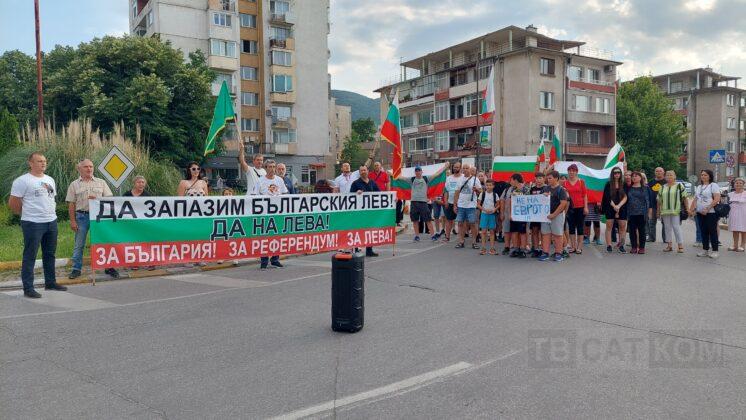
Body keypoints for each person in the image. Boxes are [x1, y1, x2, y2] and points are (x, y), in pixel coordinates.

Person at [8, 152, 66, 298]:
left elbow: (51, 198)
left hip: (51, 221)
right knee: (30, 255)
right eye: (39, 161)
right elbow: (13, 203)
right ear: (31, 163)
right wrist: (26, 214)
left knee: (50, 254)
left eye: (44, 161)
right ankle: (28, 288)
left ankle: (50, 282)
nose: (43, 163)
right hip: (33, 223)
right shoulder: (22, 181)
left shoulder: (50, 179)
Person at [66, 158, 119, 279]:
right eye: (86, 167)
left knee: (105, 242)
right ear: (79, 169)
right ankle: (76, 269)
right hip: (82, 216)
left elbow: (109, 200)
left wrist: (98, 199)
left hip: (99, 218)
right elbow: (71, 204)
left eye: (91, 166)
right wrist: (72, 221)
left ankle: (109, 267)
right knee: (79, 244)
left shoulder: (101, 182)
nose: (89, 169)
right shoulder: (74, 184)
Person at [255, 159, 288, 269]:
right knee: (264, 237)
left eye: (274, 167)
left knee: (277, 237)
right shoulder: (260, 181)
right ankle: (264, 260)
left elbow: (285, 194)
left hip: (278, 214)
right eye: (270, 167)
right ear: (266, 168)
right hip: (265, 214)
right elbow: (255, 196)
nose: (272, 169)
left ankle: (275, 259)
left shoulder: (279, 180)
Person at [689, 169, 721, 259]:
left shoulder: (713, 185)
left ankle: (715, 251)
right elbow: (696, 199)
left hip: (711, 212)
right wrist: (691, 210)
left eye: (705, 175)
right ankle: (705, 250)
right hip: (700, 212)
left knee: (712, 231)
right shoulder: (699, 186)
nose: (703, 176)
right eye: (702, 175)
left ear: (710, 176)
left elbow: (717, 199)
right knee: (703, 231)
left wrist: (707, 208)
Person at [350, 166, 381, 257]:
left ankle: (369, 250)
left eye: (365, 170)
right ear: (359, 172)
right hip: (359, 212)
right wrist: (356, 193)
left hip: (370, 212)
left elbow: (380, 194)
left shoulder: (372, 182)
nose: (363, 172)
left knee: (370, 230)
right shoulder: (355, 183)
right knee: (358, 230)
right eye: (361, 170)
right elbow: (350, 196)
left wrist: (391, 198)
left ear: (368, 171)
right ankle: (355, 249)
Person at [539, 171, 569, 262]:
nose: (548, 180)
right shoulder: (545, 188)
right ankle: (545, 253)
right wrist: (542, 196)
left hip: (557, 216)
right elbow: (539, 200)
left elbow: (563, 203)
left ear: (556, 178)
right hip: (545, 216)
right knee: (545, 234)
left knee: (558, 235)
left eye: (550, 178)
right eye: (547, 178)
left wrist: (554, 214)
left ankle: (558, 253)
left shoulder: (561, 190)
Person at [657, 170, 687, 253]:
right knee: (667, 228)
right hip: (665, 211)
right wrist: (658, 211)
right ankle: (669, 245)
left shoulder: (679, 186)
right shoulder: (662, 187)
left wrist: (687, 209)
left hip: (676, 210)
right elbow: (659, 200)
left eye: (671, 175)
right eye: (667, 175)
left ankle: (680, 246)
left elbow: (684, 198)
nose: (669, 176)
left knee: (676, 227)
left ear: (675, 176)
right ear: (665, 177)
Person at [453, 165, 482, 249]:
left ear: (470, 169)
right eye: (464, 168)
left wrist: (476, 189)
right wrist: (455, 205)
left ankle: (474, 242)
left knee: (472, 223)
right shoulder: (460, 179)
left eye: (467, 168)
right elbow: (456, 193)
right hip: (461, 205)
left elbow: (481, 191)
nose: (465, 170)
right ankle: (461, 241)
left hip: (471, 205)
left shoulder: (475, 179)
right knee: (460, 223)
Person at [407, 166, 437, 242]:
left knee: (428, 219)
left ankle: (433, 235)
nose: (418, 172)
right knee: (415, 220)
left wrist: (445, 167)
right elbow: (401, 178)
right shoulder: (412, 179)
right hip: (414, 202)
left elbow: (436, 175)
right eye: (416, 171)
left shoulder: (426, 178)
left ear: (421, 172)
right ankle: (417, 236)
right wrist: (391, 173)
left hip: (423, 202)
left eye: (419, 170)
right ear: (415, 172)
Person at [602, 167, 628, 253]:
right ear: (612, 174)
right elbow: (607, 197)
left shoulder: (624, 184)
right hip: (610, 207)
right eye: (615, 173)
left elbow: (626, 197)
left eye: (618, 173)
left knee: (622, 227)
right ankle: (609, 245)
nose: (617, 174)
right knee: (609, 226)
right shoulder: (608, 184)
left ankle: (621, 245)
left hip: (622, 207)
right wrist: (615, 206)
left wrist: (619, 206)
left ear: (620, 174)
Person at [564, 164, 588, 254]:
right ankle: (573, 246)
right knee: (571, 227)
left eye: (573, 171)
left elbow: (585, 195)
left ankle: (579, 247)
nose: (571, 172)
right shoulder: (565, 183)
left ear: (576, 172)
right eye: (570, 171)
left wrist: (586, 207)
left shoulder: (581, 182)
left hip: (580, 207)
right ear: (568, 172)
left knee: (580, 227)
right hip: (570, 208)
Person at [505, 173, 530, 258]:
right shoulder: (513, 189)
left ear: (515, 180)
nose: (510, 181)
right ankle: (515, 249)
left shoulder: (525, 189)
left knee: (522, 232)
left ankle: (522, 249)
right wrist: (510, 214)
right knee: (514, 232)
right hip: (514, 214)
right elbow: (510, 202)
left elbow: (529, 201)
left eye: (511, 180)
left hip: (522, 215)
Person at [626, 171, 652, 254]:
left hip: (642, 213)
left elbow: (650, 201)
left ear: (640, 178)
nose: (634, 177)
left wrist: (649, 213)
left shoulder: (646, 188)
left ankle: (641, 247)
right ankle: (634, 247)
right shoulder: (628, 188)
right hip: (631, 213)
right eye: (633, 176)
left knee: (642, 231)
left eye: (636, 176)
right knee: (632, 231)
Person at [442, 161, 465, 242]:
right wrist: (446, 201)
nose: (455, 168)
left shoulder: (463, 177)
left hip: (460, 203)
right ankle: (447, 237)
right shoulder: (449, 178)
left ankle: (460, 239)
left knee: (460, 222)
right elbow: (446, 191)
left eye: (457, 167)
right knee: (448, 220)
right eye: (454, 167)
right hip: (450, 202)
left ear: (460, 168)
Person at [477, 179, 499, 255]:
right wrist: (484, 209)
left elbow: (498, 204)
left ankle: (492, 249)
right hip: (484, 214)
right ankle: (483, 248)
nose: (488, 187)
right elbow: (478, 204)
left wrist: (494, 209)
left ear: (493, 186)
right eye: (487, 185)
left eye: (490, 185)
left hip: (492, 215)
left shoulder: (495, 195)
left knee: (492, 232)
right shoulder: (482, 194)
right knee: (483, 232)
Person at [529, 172, 548, 257]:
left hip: (544, 215)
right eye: (537, 178)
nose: (538, 180)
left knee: (543, 232)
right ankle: (536, 249)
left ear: (544, 179)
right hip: (534, 215)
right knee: (534, 231)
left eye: (540, 178)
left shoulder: (547, 188)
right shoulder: (532, 189)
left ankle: (543, 249)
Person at [647, 167, 666, 243]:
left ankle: (666, 238)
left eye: (660, 171)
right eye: (657, 171)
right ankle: (651, 238)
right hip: (653, 205)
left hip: (664, 206)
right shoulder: (651, 182)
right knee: (651, 222)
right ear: (655, 172)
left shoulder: (666, 182)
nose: (658, 172)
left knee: (665, 223)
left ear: (663, 172)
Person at [727, 178, 746, 252]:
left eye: (740, 183)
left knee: (743, 229)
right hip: (733, 214)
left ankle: (742, 245)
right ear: (734, 184)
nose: (738, 184)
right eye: (737, 183)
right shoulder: (730, 194)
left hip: (743, 214)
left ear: (743, 185)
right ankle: (735, 245)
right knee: (734, 229)